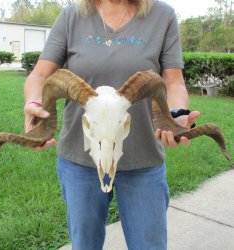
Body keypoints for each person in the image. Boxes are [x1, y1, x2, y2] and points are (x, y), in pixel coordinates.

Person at [24, 0, 200, 249]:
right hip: (80, 159)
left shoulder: (163, 15)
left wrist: (176, 113)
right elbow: (40, 75)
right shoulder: (72, 16)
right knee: (85, 245)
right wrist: (33, 103)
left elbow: (173, 81)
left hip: (143, 158)